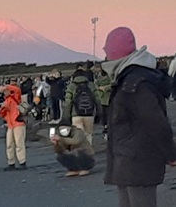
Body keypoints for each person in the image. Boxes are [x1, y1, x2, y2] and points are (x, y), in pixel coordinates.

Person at [101, 27, 176, 207]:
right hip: (129, 161)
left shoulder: (134, 83)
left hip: (136, 162)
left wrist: (171, 154)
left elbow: (156, 123)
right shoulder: (130, 78)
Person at [63, 68, 100, 145]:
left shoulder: (71, 86)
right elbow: (97, 100)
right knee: (88, 134)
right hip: (89, 114)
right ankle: (88, 151)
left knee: (77, 135)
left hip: (76, 114)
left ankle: (80, 152)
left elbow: (68, 102)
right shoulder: (91, 85)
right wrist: (99, 113)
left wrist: (66, 116)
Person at [0, 78, 27, 171]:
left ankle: (22, 161)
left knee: (19, 143)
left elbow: (16, 89)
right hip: (10, 124)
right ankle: (11, 162)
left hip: (18, 122)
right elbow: (1, 114)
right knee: (9, 144)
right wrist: (2, 108)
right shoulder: (6, 101)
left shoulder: (16, 95)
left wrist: (5, 87)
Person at [94, 69, 111, 140]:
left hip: (105, 99)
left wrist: (103, 88)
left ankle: (106, 128)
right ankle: (106, 128)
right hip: (104, 99)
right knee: (105, 114)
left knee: (105, 114)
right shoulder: (108, 77)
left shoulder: (99, 78)